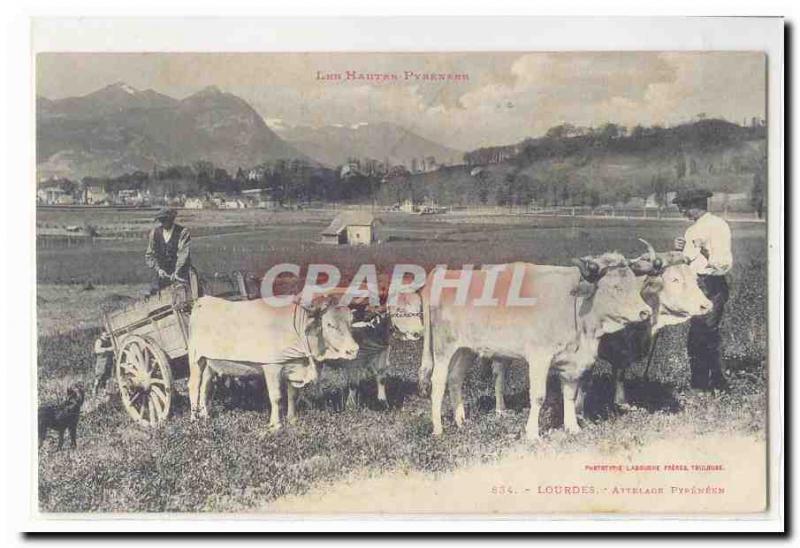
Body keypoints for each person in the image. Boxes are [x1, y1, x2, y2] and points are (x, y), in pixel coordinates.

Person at [672, 189, 732, 392]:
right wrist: (681, 250)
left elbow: (723, 264)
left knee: (705, 335)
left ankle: (709, 385)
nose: (682, 212)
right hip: (695, 287)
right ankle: (710, 383)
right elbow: (689, 262)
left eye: (684, 207)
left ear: (696, 204)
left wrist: (706, 251)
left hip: (712, 286)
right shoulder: (691, 231)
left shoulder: (718, 226)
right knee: (698, 336)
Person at [145, 207, 191, 295]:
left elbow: (183, 254)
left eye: (165, 220)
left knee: (183, 297)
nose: (163, 223)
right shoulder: (154, 233)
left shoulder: (182, 232)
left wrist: (177, 271)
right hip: (162, 275)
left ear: (171, 219)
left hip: (180, 274)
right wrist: (158, 269)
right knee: (157, 297)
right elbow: (149, 255)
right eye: (161, 220)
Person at [92, 331, 115, 398]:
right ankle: (95, 391)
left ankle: (105, 392)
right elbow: (97, 350)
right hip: (101, 361)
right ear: (102, 333)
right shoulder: (99, 341)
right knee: (99, 376)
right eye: (105, 333)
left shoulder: (109, 340)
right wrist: (108, 349)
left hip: (108, 360)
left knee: (107, 376)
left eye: (107, 333)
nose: (107, 334)